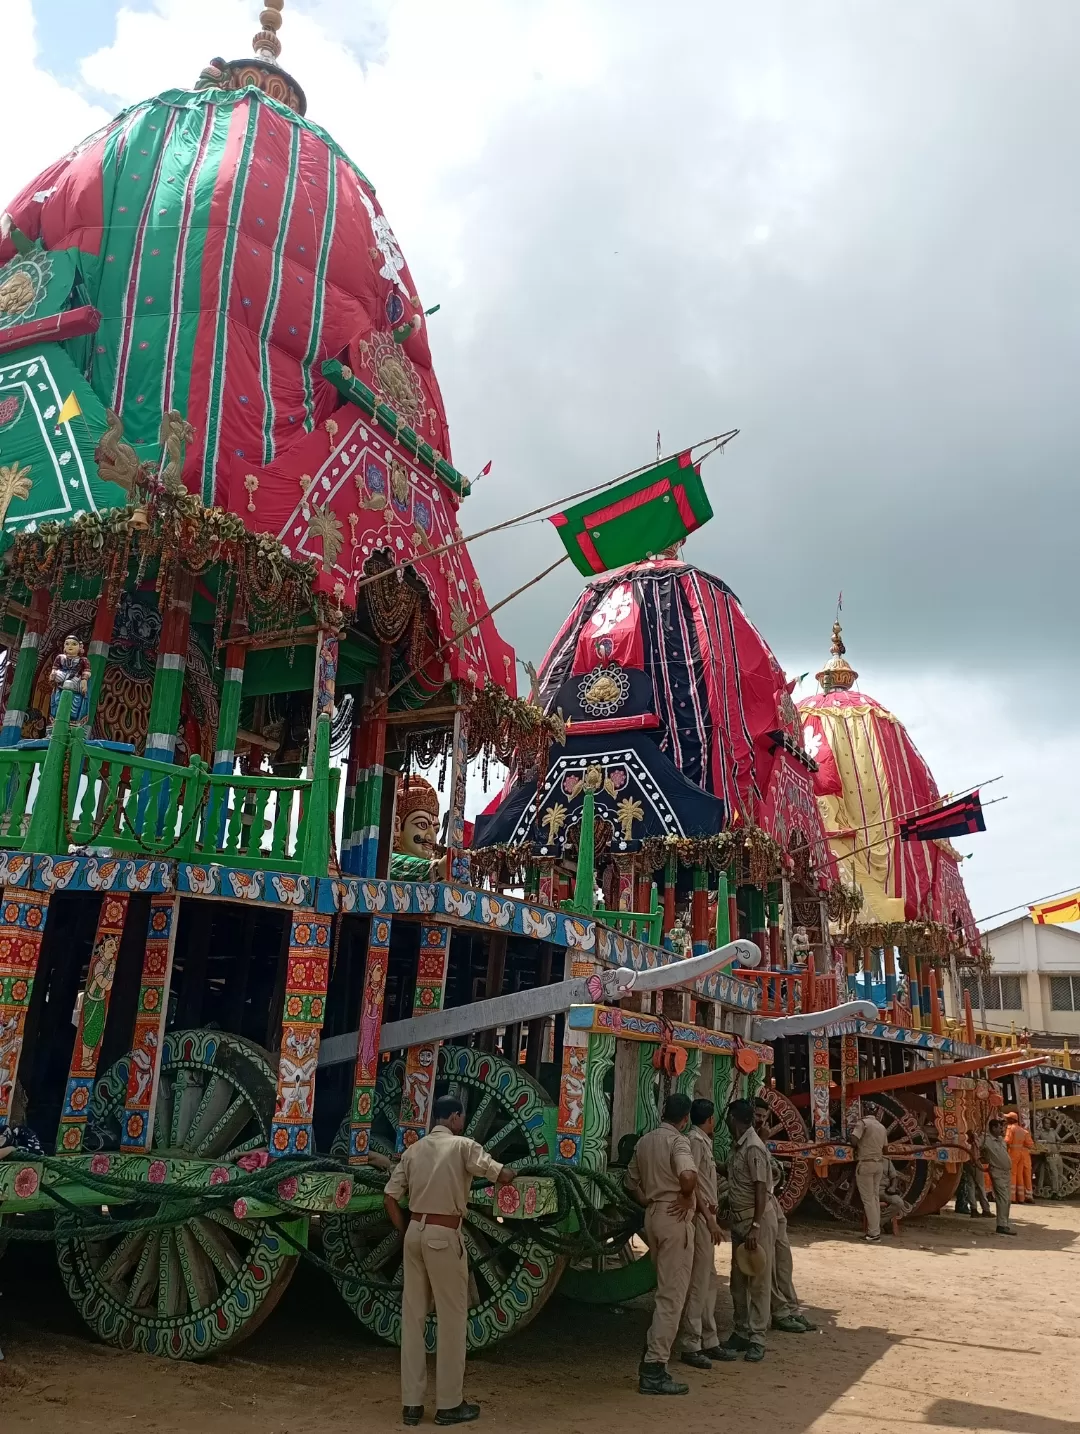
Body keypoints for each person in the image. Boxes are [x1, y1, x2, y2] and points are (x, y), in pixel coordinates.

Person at [383, 1093, 517, 1426]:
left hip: (415, 1232)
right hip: (445, 1235)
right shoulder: (463, 1147)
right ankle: (448, 1405)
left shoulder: (414, 1151)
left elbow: (389, 1197)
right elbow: (498, 1174)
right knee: (452, 1320)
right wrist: (512, 1173)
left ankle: (411, 1406)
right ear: (455, 1118)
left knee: (413, 1320)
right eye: (462, 1117)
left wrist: (406, 1230)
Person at [626, 1092, 699, 1394]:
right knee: (671, 1297)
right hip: (673, 1217)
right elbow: (688, 1175)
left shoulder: (644, 1141)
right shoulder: (678, 1141)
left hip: (653, 1214)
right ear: (685, 1119)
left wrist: (649, 1200)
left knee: (664, 1291)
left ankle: (653, 1361)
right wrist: (683, 1196)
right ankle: (655, 1367)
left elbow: (630, 1182)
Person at [721, 1099, 778, 1362]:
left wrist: (755, 1227)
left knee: (758, 1281)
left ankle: (757, 1338)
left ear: (733, 1118)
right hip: (740, 1221)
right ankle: (742, 1331)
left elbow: (761, 1190)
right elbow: (737, 1176)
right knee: (738, 1280)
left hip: (755, 1222)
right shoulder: (740, 1145)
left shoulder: (753, 1147)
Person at [752, 1097, 815, 1333]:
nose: (760, 1120)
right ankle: (780, 1312)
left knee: (783, 1259)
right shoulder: (749, 1141)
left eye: (763, 1117)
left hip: (771, 1201)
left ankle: (791, 1307)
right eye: (757, 1115)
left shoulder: (758, 1140)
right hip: (760, 1204)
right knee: (766, 1264)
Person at [677, 1099, 730, 1368]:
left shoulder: (701, 1141)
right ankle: (690, 1343)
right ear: (710, 1120)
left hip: (707, 1215)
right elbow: (692, 1183)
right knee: (699, 1282)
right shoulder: (695, 1142)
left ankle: (708, 1339)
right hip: (701, 1217)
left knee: (708, 1280)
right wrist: (709, 1219)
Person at [850, 1109, 889, 1242]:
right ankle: (875, 1230)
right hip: (878, 1164)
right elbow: (885, 1149)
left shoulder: (863, 1123)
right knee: (874, 1198)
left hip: (866, 1164)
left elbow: (854, 1141)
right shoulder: (882, 1127)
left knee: (868, 1200)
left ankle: (873, 1233)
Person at [980, 1118, 1017, 1235]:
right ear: (993, 1128)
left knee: (1007, 1199)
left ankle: (1004, 1223)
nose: (1002, 1129)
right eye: (999, 1127)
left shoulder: (1001, 1140)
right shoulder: (986, 1139)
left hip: (1006, 1172)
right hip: (997, 1172)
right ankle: (1001, 1225)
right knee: (1003, 1198)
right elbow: (977, 1147)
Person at [956, 1130, 993, 1218]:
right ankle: (985, 1209)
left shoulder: (964, 1141)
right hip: (975, 1163)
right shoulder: (975, 1140)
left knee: (970, 1187)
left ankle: (974, 1209)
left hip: (967, 1162)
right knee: (981, 1187)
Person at [1005, 1112, 1035, 1203]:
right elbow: (1030, 1145)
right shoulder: (1023, 1131)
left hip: (1013, 1154)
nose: (1006, 1120)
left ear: (1011, 1120)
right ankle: (1022, 1198)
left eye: (1007, 1118)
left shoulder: (1010, 1128)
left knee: (1012, 1174)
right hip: (1022, 1156)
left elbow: (1007, 1141)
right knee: (1020, 1175)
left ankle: (1012, 1197)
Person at [1037, 1117, 1065, 1199]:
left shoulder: (1053, 1131)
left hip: (1058, 1155)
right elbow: (1035, 1141)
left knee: (1060, 1175)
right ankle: (1054, 1192)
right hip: (1050, 1157)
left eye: (1049, 1123)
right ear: (1043, 1124)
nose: (1048, 1125)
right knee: (1054, 1175)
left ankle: (1058, 1192)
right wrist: (1043, 1144)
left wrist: (1059, 1142)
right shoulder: (1040, 1133)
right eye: (1046, 1123)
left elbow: (1059, 1139)